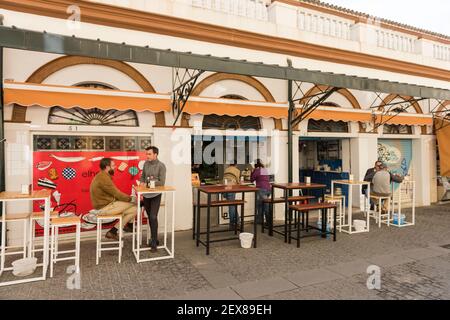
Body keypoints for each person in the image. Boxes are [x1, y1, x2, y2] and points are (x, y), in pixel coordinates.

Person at [90, 158, 137, 241]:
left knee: (135, 209)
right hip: (104, 208)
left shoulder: (103, 175)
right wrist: (133, 199)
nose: (115, 167)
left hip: (108, 205)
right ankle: (128, 226)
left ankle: (113, 231)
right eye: (113, 165)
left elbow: (115, 194)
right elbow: (117, 194)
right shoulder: (103, 178)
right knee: (136, 204)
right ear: (107, 167)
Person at [140, 146, 167, 252]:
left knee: (153, 216)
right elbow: (143, 176)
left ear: (155, 154)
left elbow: (161, 182)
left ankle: (154, 242)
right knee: (150, 218)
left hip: (156, 195)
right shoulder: (146, 164)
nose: (147, 156)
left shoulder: (161, 166)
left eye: (149, 154)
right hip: (146, 195)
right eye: (146, 154)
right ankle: (154, 239)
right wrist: (142, 181)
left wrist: (147, 182)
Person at [250, 159, 271, 225]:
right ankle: (261, 221)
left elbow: (251, 179)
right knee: (261, 205)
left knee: (263, 206)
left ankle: (268, 222)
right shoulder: (264, 170)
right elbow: (266, 179)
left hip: (262, 189)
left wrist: (252, 171)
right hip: (268, 189)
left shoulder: (257, 170)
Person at [222, 161, 241, 229]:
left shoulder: (226, 169)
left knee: (232, 205)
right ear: (236, 164)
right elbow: (238, 182)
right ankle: (232, 224)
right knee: (232, 206)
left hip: (225, 188)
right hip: (231, 188)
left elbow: (223, 179)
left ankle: (238, 221)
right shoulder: (237, 170)